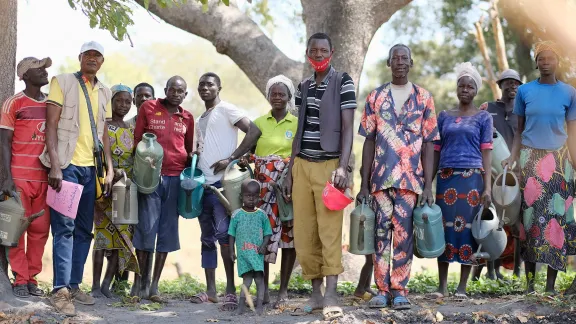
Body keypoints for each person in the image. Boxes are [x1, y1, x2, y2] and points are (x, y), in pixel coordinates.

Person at [357, 44, 439, 309]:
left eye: (405, 58)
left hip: (411, 181)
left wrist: (428, 185)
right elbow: (369, 141)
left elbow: (429, 144)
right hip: (380, 179)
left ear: (411, 62)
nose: (400, 62)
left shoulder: (424, 98)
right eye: (396, 58)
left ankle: (399, 289)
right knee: (380, 234)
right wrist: (364, 183)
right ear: (388, 63)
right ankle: (381, 290)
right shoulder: (375, 97)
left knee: (404, 236)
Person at [281, 32, 356, 320]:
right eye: (314, 50)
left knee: (329, 232)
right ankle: (315, 293)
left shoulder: (344, 81)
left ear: (332, 52)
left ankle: (332, 294)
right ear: (308, 53)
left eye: (324, 50)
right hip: (302, 165)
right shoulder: (303, 86)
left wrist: (343, 166)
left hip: (329, 167)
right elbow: (299, 131)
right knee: (304, 233)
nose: (319, 54)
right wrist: (290, 171)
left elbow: (348, 128)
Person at [42, 41, 114, 316]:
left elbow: (103, 132)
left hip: (90, 170)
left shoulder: (105, 91)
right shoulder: (62, 82)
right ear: (80, 58)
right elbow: (50, 125)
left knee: (85, 230)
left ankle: (73, 285)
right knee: (64, 229)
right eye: (88, 55)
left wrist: (107, 167)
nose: (93, 59)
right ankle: (59, 291)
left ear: (102, 61)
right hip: (68, 166)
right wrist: (56, 166)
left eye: (98, 56)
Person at [502, 41, 576, 294]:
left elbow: (572, 132)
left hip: (559, 161)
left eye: (550, 58)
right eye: (541, 58)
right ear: (536, 62)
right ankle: (531, 285)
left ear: (557, 61)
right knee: (530, 222)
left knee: (555, 221)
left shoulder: (569, 92)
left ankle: (551, 286)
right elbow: (519, 130)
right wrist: (513, 156)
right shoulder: (525, 92)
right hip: (530, 160)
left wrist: (575, 163)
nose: (546, 62)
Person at [191, 72, 261, 311]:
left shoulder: (227, 109)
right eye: (201, 84)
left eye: (210, 84)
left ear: (219, 87)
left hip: (224, 186)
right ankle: (211, 291)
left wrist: (232, 158)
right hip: (204, 186)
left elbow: (254, 131)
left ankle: (230, 290)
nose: (205, 87)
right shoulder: (200, 118)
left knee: (224, 237)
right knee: (206, 238)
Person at [431, 62, 493, 300]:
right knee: (443, 230)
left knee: (468, 230)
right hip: (446, 178)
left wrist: (487, 186)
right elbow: (436, 150)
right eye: (461, 85)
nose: (465, 89)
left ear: (475, 91)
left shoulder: (484, 117)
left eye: (469, 86)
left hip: (472, 179)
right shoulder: (444, 116)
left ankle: (462, 287)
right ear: (456, 88)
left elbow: (487, 151)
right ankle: (442, 286)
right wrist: (429, 183)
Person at [132, 76, 195, 301]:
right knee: (146, 229)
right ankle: (139, 283)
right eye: (173, 89)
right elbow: (137, 140)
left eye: (181, 91)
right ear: (165, 90)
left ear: (185, 95)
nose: (176, 93)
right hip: (150, 178)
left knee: (167, 231)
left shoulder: (187, 117)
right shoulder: (149, 108)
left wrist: (192, 157)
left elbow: (188, 150)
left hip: (175, 178)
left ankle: (154, 287)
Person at [0, 57, 52, 298]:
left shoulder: (53, 103)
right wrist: (7, 178)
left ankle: (32, 278)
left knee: (40, 230)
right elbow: (4, 142)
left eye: (44, 68)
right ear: (24, 76)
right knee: (17, 230)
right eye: (38, 68)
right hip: (20, 177)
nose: (44, 71)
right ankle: (20, 279)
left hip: (46, 178)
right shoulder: (14, 103)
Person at [244, 75, 298, 308]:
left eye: (282, 94)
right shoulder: (258, 122)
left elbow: (299, 154)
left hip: (288, 186)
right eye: (273, 94)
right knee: (261, 235)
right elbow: (246, 149)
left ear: (288, 97)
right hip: (263, 189)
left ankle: (283, 290)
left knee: (288, 235)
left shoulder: (297, 123)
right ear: (268, 96)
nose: (277, 97)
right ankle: (263, 290)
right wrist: (238, 159)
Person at [474, 69, 523, 281]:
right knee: (492, 221)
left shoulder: (523, 111)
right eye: (508, 83)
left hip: (516, 175)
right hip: (492, 174)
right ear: (500, 85)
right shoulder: (487, 109)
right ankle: (491, 271)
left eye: (515, 83)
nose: (512, 86)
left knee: (516, 223)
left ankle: (518, 271)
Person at [91, 84, 140, 298]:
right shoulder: (103, 126)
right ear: (110, 102)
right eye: (119, 101)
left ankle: (107, 285)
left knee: (122, 238)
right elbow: (97, 156)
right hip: (106, 187)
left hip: (127, 189)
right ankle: (94, 286)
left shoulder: (132, 129)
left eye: (128, 101)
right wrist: (112, 171)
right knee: (102, 239)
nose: (123, 105)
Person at [228, 179, 272, 316]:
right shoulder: (236, 215)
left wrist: (264, 246)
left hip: (257, 253)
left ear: (259, 197)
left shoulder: (262, 215)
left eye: (254, 196)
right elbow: (231, 234)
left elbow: (267, 233)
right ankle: (241, 306)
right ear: (242, 196)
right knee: (246, 280)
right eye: (248, 196)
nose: (251, 199)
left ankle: (259, 306)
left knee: (259, 279)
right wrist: (231, 250)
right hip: (243, 254)